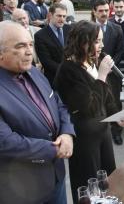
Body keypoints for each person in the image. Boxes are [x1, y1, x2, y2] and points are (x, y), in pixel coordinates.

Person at [53, 20, 124, 203]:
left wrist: (117, 117)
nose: (101, 46)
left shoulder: (91, 62)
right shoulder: (68, 69)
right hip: (84, 138)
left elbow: (106, 96)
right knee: (89, 185)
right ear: (82, 42)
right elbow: (89, 107)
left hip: (103, 133)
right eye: (97, 41)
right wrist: (102, 75)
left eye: (101, 41)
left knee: (108, 180)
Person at [0, 21, 75, 204]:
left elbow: (58, 103)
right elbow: (5, 143)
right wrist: (54, 149)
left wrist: (67, 133)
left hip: (55, 177)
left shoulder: (34, 72)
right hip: (20, 188)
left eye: (30, 45)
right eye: (20, 46)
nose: (28, 52)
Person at [93, 0, 124, 145]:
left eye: (106, 10)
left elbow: (120, 50)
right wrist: (99, 67)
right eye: (101, 11)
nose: (104, 13)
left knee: (115, 103)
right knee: (98, 103)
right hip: (94, 72)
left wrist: (111, 65)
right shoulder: (90, 29)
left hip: (113, 73)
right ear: (95, 12)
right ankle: (100, 133)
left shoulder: (116, 28)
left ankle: (116, 132)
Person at [34, 3, 70, 86]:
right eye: (59, 16)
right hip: (54, 80)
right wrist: (67, 71)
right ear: (50, 15)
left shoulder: (69, 29)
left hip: (72, 79)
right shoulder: (40, 35)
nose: (62, 19)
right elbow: (46, 62)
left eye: (64, 16)